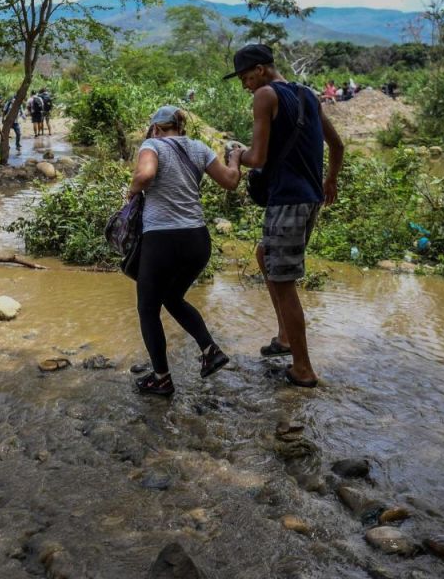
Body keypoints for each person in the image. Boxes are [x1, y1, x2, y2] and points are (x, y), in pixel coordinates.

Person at [226, 44, 344, 388]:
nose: (246, 85)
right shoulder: (307, 94)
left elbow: (258, 158)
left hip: (287, 201)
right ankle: (285, 336)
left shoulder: (265, 96)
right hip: (309, 200)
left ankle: (303, 368)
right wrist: (330, 180)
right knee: (266, 256)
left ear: (261, 70)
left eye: (247, 77)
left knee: (283, 282)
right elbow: (337, 145)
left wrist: (235, 155)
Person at [127, 106, 242, 397]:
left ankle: (161, 378)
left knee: (148, 308)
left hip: (162, 240)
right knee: (172, 297)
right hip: (197, 240)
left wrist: (130, 192)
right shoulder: (199, 148)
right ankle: (209, 349)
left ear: (155, 128)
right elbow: (230, 181)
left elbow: (144, 176)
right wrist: (236, 158)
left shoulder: (152, 145)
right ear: (180, 127)